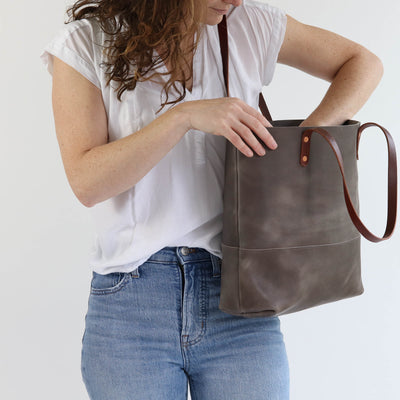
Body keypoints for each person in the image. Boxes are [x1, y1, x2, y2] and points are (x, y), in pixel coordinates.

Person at [39, 0, 383, 399]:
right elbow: (87, 183)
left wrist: (304, 141)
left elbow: (362, 62)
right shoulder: (86, 43)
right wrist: (183, 117)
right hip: (131, 306)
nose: (235, 0)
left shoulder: (249, 23)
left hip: (239, 295)